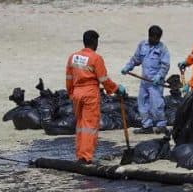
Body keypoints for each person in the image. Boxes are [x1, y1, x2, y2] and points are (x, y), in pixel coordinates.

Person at [66, 30, 126, 163]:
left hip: (77, 93)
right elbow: (104, 79)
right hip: (90, 93)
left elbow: (69, 78)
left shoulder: (73, 57)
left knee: (80, 125)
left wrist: (71, 93)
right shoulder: (95, 58)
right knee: (89, 126)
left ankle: (80, 154)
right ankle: (86, 157)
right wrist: (116, 89)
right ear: (94, 42)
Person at [121, 25, 171, 134]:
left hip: (156, 83)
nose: (156, 40)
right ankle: (146, 126)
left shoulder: (162, 48)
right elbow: (135, 59)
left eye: (158, 38)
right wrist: (127, 67)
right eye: (154, 38)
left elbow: (165, 65)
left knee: (156, 104)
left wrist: (159, 76)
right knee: (142, 103)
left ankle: (161, 125)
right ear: (150, 36)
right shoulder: (142, 45)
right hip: (144, 81)